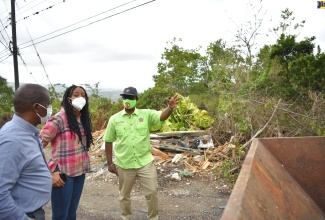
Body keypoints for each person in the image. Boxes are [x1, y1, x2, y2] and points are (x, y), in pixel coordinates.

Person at [103, 86, 180, 220]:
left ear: (136, 100)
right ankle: (126, 217)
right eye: (125, 98)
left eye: (130, 98)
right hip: (124, 163)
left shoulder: (146, 114)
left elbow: (161, 116)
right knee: (124, 195)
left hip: (145, 162)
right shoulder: (114, 119)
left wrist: (170, 108)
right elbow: (108, 141)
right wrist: (110, 163)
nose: (127, 100)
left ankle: (153, 218)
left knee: (152, 192)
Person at [40, 85, 94, 220]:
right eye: (76, 95)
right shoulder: (59, 118)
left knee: (71, 213)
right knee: (60, 216)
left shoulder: (82, 118)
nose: (80, 98)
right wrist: (50, 172)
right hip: (63, 173)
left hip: (79, 172)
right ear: (68, 99)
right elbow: (38, 145)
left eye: (83, 95)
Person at [0, 83, 52, 220]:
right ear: (36, 107)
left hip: (34, 212)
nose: (49, 109)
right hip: (24, 214)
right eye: (47, 105)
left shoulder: (28, 133)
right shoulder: (12, 140)